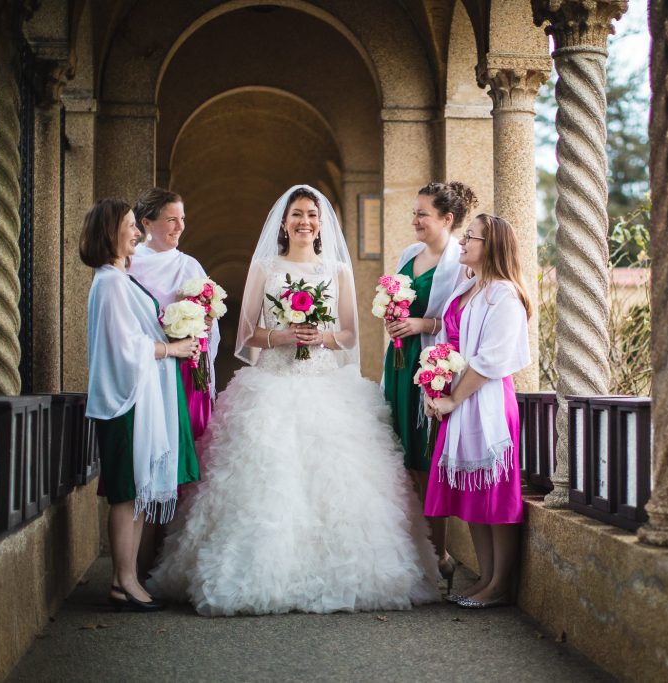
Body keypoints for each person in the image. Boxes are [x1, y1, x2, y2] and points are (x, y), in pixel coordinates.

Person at [148, 185, 439, 616]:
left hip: (326, 386)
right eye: (298, 214)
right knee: (266, 479)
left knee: (339, 485)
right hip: (272, 382)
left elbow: (349, 336)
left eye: (313, 215)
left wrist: (321, 336)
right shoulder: (265, 267)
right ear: (284, 222)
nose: (305, 222)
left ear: (322, 224)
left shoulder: (336, 270)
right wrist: (281, 335)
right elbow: (246, 335)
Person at [80, 198, 200, 612]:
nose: (138, 233)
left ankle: (124, 580)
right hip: (126, 400)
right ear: (110, 232)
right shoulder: (111, 282)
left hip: (136, 397)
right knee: (127, 493)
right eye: (131, 226)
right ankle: (124, 581)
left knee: (133, 493)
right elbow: (124, 346)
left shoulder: (118, 278)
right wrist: (173, 348)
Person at [424, 213, 531, 609]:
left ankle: (500, 583)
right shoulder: (466, 287)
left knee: (495, 494)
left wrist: (454, 397)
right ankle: (485, 578)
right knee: (471, 494)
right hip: (456, 400)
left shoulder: (504, 294)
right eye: (466, 236)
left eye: (472, 238)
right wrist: (432, 386)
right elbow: (444, 344)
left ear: (493, 247)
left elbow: (492, 358)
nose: (464, 243)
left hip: (484, 401)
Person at [383, 181, 477, 591]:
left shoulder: (459, 262)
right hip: (400, 363)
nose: (415, 220)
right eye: (415, 212)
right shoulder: (409, 255)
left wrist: (424, 324)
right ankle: (408, 553)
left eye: (423, 213)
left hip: (432, 369)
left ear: (447, 219)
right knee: (401, 459)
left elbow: (458, 321)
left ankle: (438, 556)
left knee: (428, 459)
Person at [129, 188, 220, 440]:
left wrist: (206, 323)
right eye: (171, 220)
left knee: (186, 434)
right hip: (145, 367)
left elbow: (209, 327)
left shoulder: (190, 266)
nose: (180, 226)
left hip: (186, 372)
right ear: (147, 222)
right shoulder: (129, 265)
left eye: (182, 219)